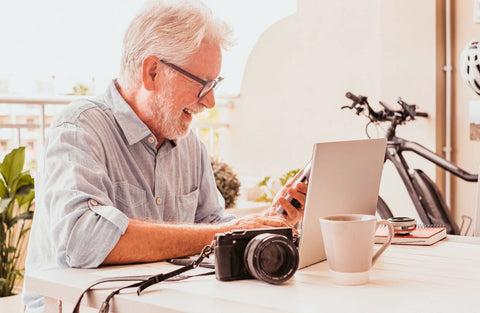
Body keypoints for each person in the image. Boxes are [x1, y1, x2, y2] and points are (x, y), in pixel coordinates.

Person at [23, 0, 307, 311]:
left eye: (216, 84)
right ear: (152, 72)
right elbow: (82, 240)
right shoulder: (79, 128)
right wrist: (224, 232)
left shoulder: (190, 146)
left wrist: (267, 226)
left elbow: (211, 229)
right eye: (203, 84)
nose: (210, 101)